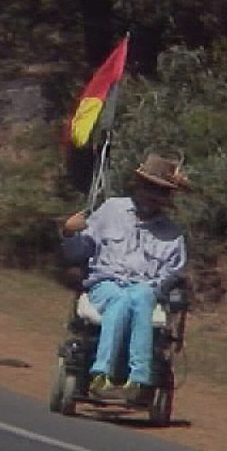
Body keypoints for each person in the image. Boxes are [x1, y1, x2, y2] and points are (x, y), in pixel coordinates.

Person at [61, 153, 189, 401]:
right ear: (139, 186)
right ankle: (102, 373)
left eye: (159, 191)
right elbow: (81, 249)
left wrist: (159, 289)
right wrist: (69, 232)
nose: (151, 196)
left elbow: (173, 273)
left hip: (146, 287)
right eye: (149, 188)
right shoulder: (111, 210)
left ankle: (138, 379)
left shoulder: (173, 235)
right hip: (106, 282)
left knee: (140, 298)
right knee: (119, 300)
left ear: (166, 198)